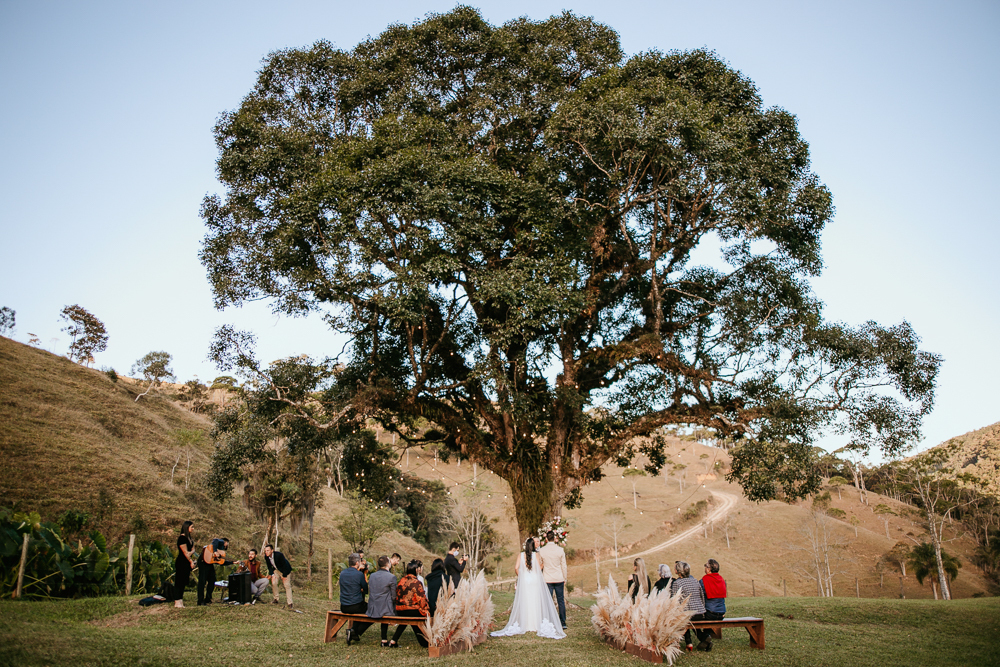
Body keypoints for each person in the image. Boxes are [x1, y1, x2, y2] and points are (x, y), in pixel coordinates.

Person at [490, 537, 565, 639]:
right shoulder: (536, 555)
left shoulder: (520, 555)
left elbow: (516, 568)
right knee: (535, 601)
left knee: (526, 601)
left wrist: (521, 576)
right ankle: (535, 624)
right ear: (533, 546)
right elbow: (538, 568)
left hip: (525, 580)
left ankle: (526, 624)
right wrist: (543, 564)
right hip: (534, 580)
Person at [669, 560, 709, 652]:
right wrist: (702, 608)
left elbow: (674, 601)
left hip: (688, 614)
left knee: (683, 619)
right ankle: (705, 637)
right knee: (693, 625)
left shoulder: (677, 583)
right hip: (700, 612)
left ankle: (689, 643)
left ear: (677, 571)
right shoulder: (695, 580)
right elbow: (701, 596)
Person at [390, 559, 430, 648]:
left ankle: (393, 640)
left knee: (407, 620)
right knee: (417, 618)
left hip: (400, 610)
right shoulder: (416, 582)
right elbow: (421, 599)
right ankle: (424, 642)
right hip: (411, 610)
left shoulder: (401, 581)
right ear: (416, 570)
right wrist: (427, 609)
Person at [538, 530, 568, 629]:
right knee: (561, 601)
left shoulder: (542, 550)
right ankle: (563, 622)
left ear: (546, 539)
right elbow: (564, 565)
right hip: (559, 577)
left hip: (547, 578)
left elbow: (541, 564)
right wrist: (565, 577)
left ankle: (549, 620)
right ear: (555, 538)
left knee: (548, 601)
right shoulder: (560, 550)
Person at [365, 555, 398, 647]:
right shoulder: (391, 577)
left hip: (373, 607)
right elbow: (394, 596)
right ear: (388, 564)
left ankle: (384, 639)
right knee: (388, 605)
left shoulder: (372, 575)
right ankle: (387, 639)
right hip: (385, 608)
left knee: (384, 605)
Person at [341, 554, 370, 646]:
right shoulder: (359, 574)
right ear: (357, 563)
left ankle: (353, 631)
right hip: (356, 605)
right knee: (373, 610)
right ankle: (355, 631)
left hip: (344, 606)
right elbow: (365, 590)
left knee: (360, 610)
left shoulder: (342, 573)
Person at [196, 537, 233, 606]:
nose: (226, 546)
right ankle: (200, 600)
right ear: (225, 542)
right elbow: (215, 540)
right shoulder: (219, 543)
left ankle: (208, 598)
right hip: (203, 562)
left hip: (209, 563)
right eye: (226, 544)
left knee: (212, 580)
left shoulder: (220, 550)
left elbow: (221, 562)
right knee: (202, 581)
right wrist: (215, 551)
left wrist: (233, 562)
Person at [699, 558, 726, 650]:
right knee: (709, 617)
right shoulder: (721, 579)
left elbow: (699, 596)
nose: (705, 568)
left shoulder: (704, 580)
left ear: (709, 569)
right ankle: (706, 639)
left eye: (706, 566)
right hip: (722, 613)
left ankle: (704, 638)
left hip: (710, 613)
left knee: (695, 619)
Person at [170, 521, 195, 608]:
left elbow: (192, 550)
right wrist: (191, 560)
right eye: (191, 527)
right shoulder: (182, 539)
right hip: (182, 562)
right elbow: (185, 552)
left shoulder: (189, 538)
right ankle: (177, 601)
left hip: (186, 562)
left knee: (183, 581)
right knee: (179, 581)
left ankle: (180, 600)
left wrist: (190, 553)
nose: (193, 528)